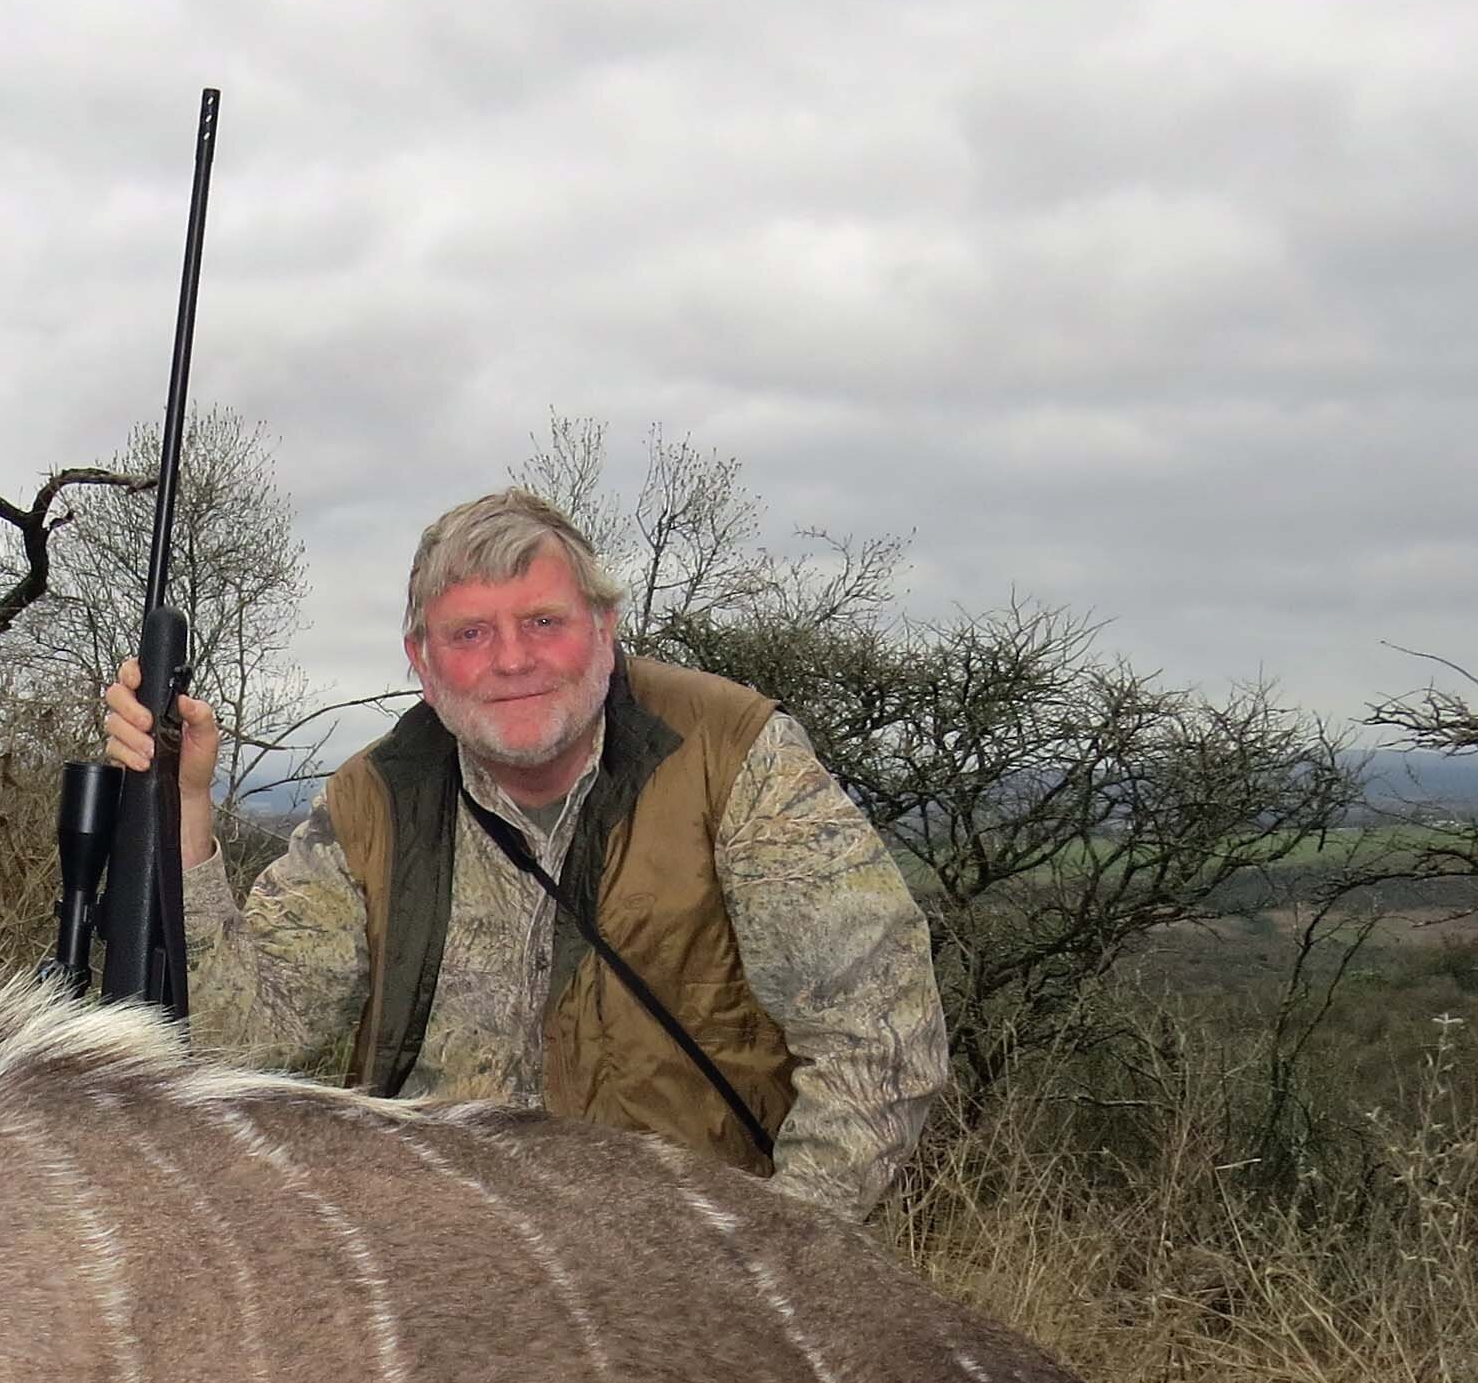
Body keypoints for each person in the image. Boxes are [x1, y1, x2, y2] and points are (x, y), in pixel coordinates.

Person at [102, 487, 947, 1219]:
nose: (511, 660)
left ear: (605, 630)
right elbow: (249, 1041)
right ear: (422, 664)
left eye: (544, 622)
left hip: (681, 1269)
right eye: (469, 635)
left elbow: (878, 1037)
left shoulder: (736, 756)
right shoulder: (373, 798)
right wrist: (183, 803)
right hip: (439, 1266)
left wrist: (772, 1263)